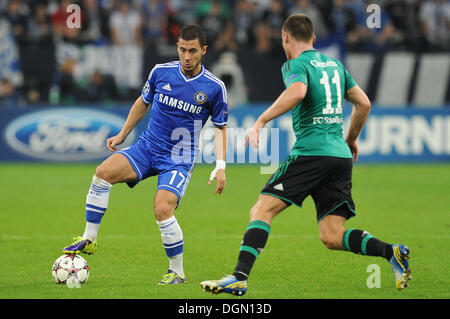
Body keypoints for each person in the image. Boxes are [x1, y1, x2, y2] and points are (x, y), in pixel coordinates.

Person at [200, 14, 411, 296]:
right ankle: (391, 252)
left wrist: (261, 120)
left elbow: (298, 92)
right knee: (332, 236)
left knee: (262, 210)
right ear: (313, 39)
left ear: (285, 37)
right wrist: (351, 140)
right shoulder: (336, 66)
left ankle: (239, 277)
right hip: (339, 158)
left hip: (311, 153)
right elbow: (364, 103)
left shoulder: (294, 64)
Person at [63, 25, 228, 285]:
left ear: (203, 51)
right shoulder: (160, 72)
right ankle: (90, 239)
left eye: (193, 51)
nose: (187, 56)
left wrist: (221, 165)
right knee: (102, 174)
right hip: (147, 148)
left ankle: (177, 272)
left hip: (178, 159)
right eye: (183, 50)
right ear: (177, 47)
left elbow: (220, 128)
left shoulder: (214, 87)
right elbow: (143, 102)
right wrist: (122, 134)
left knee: (162, 208)